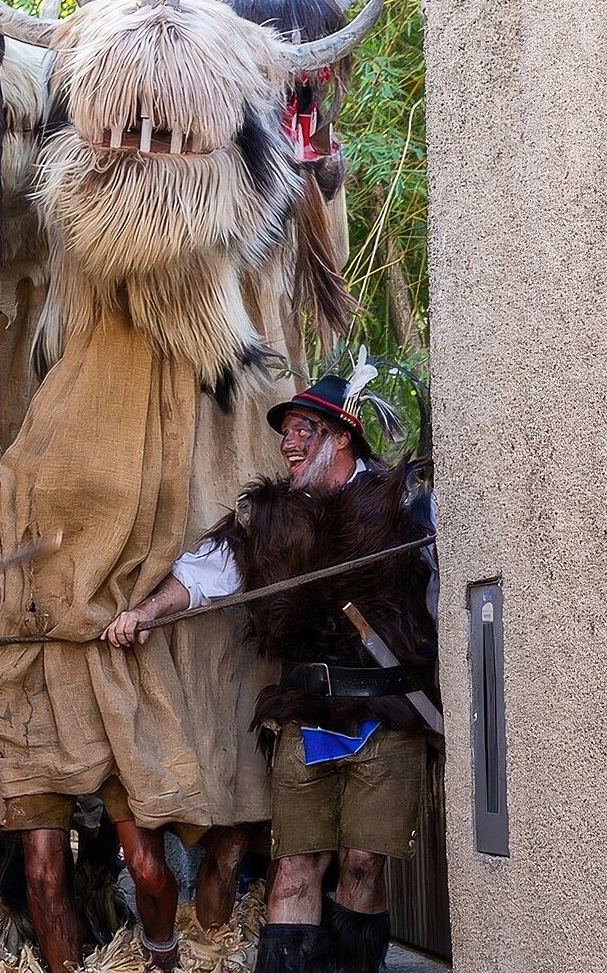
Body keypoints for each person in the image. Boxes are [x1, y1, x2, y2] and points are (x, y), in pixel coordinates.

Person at [106, 375, 437, 973]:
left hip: (385, 716)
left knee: (362, 864)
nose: (288, 444)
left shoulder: (401, 509)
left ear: (341, 437)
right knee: (294, 865)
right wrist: (144, 613)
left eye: (302, 431)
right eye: (285, 433)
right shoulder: (271, 520)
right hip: (306, 719)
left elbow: (442, 599)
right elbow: (202, 575)